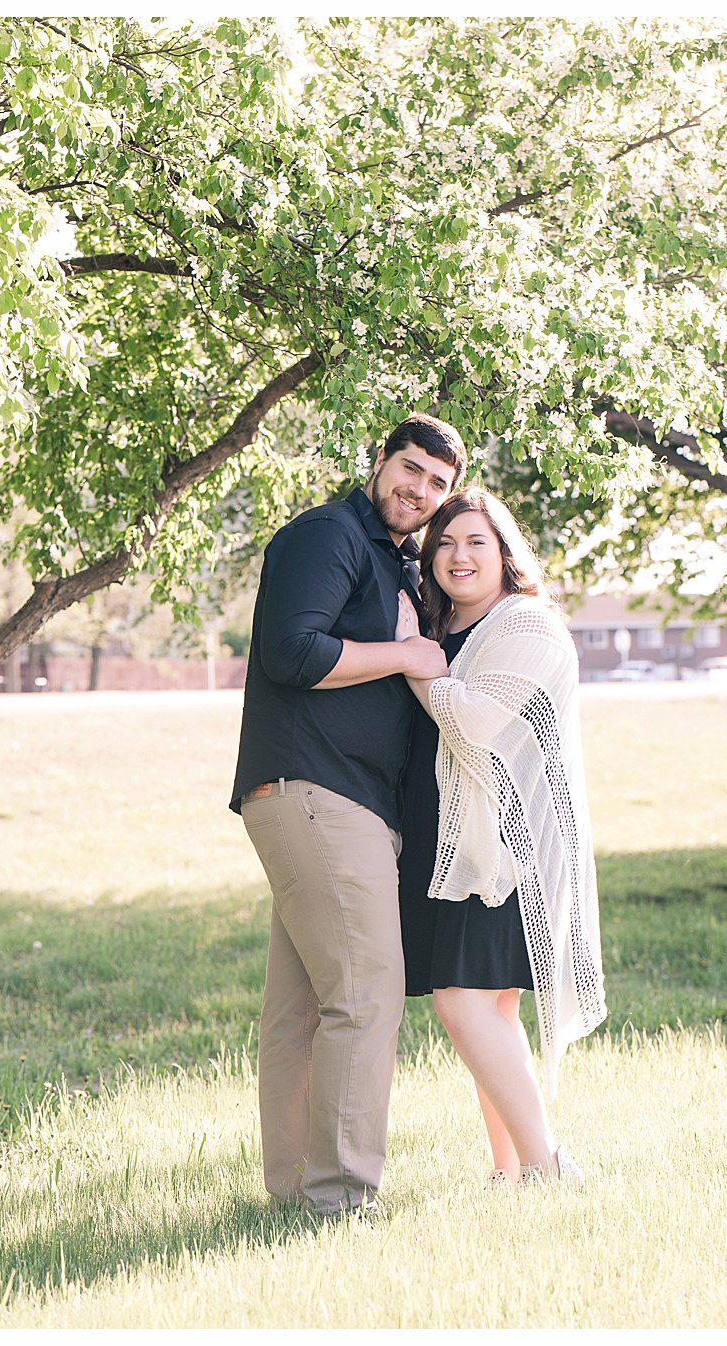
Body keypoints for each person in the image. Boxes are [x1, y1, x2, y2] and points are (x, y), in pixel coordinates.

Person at [232, 413, 465, 1218]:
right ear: (379, 460)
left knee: (302, 1010)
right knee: (365, 993)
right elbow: (290, 653)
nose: (420, 490)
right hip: (315, 791)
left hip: (341, 799)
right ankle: (340, 1199)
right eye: (409, 469)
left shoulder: (395, 561)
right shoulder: (327, 534)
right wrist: (404, 654)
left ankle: (297, 1191)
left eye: (437, 483)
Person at [395, 487, 607, 1187]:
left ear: (505, 554)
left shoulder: (527, 625)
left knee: (461, 1002)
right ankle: (507, 1172)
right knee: (488, 1007)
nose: (458, 555)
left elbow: (476, 725)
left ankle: (549, 1164)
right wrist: (421, 649)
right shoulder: (440, 628)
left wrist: (415, 660)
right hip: (450, 842)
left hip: (503, 853)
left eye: (476, 542)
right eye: (446, 542)